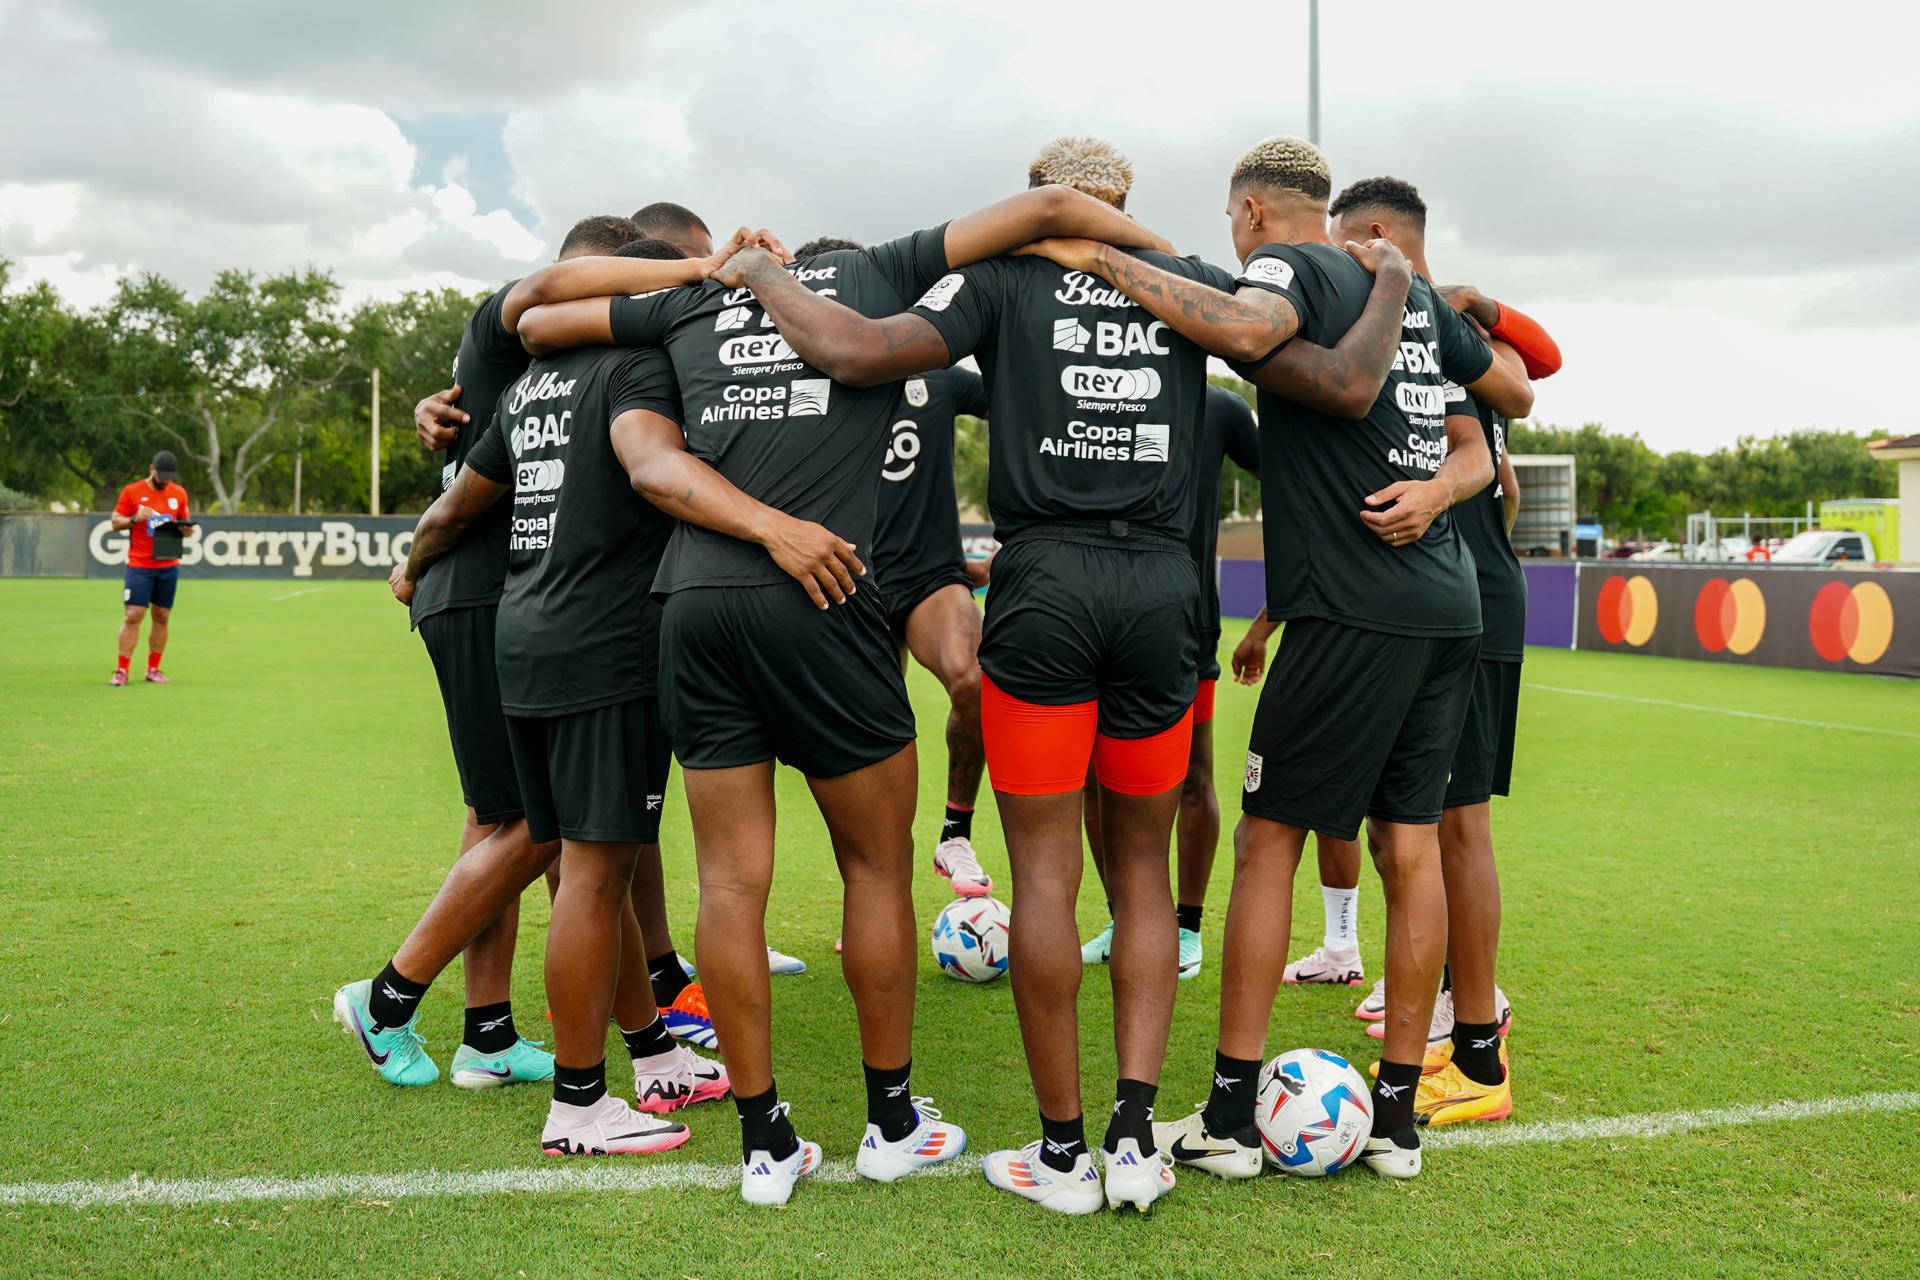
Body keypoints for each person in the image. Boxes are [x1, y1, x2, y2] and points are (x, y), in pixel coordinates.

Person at [711, 139, 1411, 1214]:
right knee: (1140, 872)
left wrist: (760, 274)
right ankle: (1135, 1138)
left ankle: (1064, 1153)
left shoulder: (998, 278)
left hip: (1043, 591)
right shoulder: (1193, 276)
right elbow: (1336, 382)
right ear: (1125, 203)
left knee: (1041, 873)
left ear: (1037, 198)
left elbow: (859, 352)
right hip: (1163, 600)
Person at [513, 184, 1166, 1205]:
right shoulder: (872, 275)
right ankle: (892, 1120)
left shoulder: (695, 300)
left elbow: (535, 305)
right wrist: (1159, 254)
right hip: (823, 595)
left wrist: (694, 270)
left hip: (692, 602)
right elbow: (1046, 204)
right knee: (873, 866)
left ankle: (767, 1140)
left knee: (730, 883)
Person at [1015, 136, 1532, 1181]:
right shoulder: (1414, 294)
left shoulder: (1287, 267)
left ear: (1251, 213)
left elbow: (1252, 325)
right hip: (1447, 604)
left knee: (1265, 842)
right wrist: (1441, 482)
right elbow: (1511, 394)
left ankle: (1230, 1115)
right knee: (1412, 844)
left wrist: (1104, 261)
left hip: (1356, 610)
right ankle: (1396, 1121)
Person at [386, 239, 824, 1152]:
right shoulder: (633, 370)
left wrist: (411, 563)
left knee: (587, 862)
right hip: (606, 644)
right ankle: (580, 1104)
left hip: (527, 636)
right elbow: (654, 471)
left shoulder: (526, 388)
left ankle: (642, 1055)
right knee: (587, 872)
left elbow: (457, 505)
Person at [334, 229, 721, 1103]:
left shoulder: (574, 363)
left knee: (544, 830)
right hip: (488, 586)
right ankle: (386, 998)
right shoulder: (525, 320)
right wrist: (419, 556)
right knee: (536, 830)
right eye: (649, 269)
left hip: (511, 589)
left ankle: (494, 1033)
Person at [1329, 176, 1561, 1123]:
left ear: (1378, 236)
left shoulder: (1444, 321)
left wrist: (1473, 306)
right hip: (1419, 601)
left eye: (1342, 242)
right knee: (1404, 826)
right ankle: (1444, 1022)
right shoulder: (1383, 327)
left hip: (1469, 600)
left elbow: (1524, 384)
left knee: (1456, 823)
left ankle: (1479, 1050)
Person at [791, 236, 996, 903]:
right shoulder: (796, 376)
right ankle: (873, 894)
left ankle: (955, 834)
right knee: (873, 753)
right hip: (841, 581)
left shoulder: (932, 368)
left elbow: (1027, 403)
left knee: (974, 681)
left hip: (926, 576)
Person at [1080, 382, 1258, 983]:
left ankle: (1185, 926)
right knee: (1091, 780)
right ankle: (1123, 917)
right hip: (1086, 615)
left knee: (1192, 776)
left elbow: (1296, 475)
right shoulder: (1096, 394)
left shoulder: (1219, 407)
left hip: (1185, 622)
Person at [109, 450, 193, 686]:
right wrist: (135, 518)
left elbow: (184, 521)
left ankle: (153, 669)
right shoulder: (132, 491)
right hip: (140, 565)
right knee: (134, 614)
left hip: (168, 564)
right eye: (161, 475)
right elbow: (115, 522)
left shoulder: (178, 493)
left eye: (169, 476)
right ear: (151, 469)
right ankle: (122, 671)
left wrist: (187, 530)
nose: (165, 480)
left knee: (162, 616)